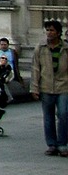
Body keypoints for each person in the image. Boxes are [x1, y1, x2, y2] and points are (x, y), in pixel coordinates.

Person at [30, 19, 68, 156]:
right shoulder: (40, 48)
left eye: (52, 30)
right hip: (46, 86)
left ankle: (62, 144)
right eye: (47, 30)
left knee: (64, 114)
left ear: (58, 33)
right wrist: (34, 87)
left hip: (64, 86)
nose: (49, 33)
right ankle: (52, 144)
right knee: (48, 117)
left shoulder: (66, 48)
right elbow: (35, 68)